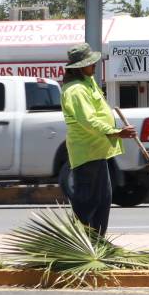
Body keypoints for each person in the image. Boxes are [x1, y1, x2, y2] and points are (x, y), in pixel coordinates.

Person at [60, 43, 136, 236]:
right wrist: (115, 132)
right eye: (90, 63)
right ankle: (83, 243)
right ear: (80, 67)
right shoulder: (75, 90)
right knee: (88, 202)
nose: (94, 66)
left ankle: (98, 241)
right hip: (86, 152)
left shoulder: (88, 82)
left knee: (103, 199)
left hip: (98, 151)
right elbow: (88, 120)